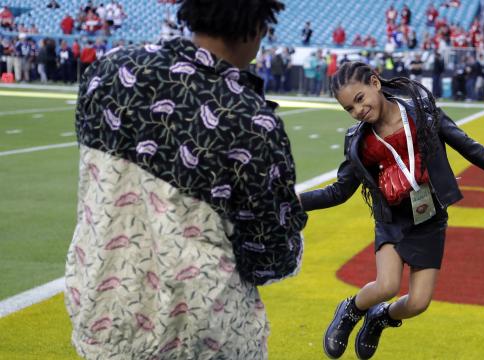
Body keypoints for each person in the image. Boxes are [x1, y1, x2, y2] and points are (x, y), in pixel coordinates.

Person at [64, 0, 306, 359]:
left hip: (105, 313)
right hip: (202, 334)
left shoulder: (108, 71)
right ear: (257, 27)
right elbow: (271, 258)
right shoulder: (250, 121)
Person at [299, 61, 484, 360]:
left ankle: (380, 318)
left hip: (429, 216)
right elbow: (339, 191)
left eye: (359, 99)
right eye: (350, 109)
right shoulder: (359, 141)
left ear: (375, 83)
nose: (358, 111)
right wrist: (294, 201)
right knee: (387, 284)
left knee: (419, 302)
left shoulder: (423, 114)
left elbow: (469, 146)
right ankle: (351, 310)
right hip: (392, 218)